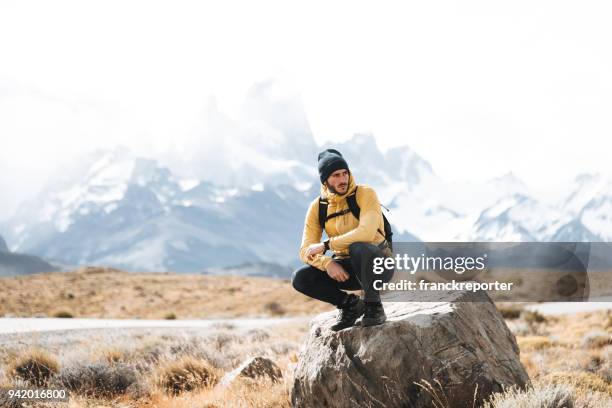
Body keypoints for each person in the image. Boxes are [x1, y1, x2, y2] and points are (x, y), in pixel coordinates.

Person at [292, 149, 394, 331]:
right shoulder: (318, 207)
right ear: (325, 181)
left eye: (345, 173)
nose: (343, 179)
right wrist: (327, 263)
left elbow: (367, 234)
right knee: (300, 278)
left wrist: (326, 245)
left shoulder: (365, 193)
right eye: (336, 175)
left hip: (378, 264)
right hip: (345, 269)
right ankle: (350, 306)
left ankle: (374, 306)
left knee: (358, 248)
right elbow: (305, 250)